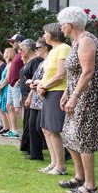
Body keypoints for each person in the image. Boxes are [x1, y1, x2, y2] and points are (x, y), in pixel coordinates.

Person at [58, 6, 98, 193]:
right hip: (77, 92)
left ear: (69, 24)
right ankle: (79, 177)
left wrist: (74, 96)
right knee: (70, 134)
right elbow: (74, 73)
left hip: (88, 95)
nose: (61, 28)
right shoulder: (76, 42)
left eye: (62, 25)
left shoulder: (87, 41)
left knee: (83, 137)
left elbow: (88, 72)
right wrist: (66, 93)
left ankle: (90, 186)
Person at [37, 22, 70, 176]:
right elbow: (48, 74)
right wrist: (40, 85)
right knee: (46, 129)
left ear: (53, 33)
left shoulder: (63, 48)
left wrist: (44, 86)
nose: (44, 36)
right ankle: (54, 162)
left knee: (54, 129)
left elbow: (60, 74)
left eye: (45, 33)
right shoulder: (53, 51)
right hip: (49, 91)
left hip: (57, 91)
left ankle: (61, 166)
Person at [25, 38, 50, 160]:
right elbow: (36, 78)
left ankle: (64, 153)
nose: (36, 50)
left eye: (38, 47)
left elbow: (49, 79)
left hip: (43, 97)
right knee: (33, 126)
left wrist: (34, 82)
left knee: (42, 128)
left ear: (45, 48)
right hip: (36, 97)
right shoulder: (42, 63)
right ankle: (35, 154)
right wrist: (32, 84)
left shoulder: (50, 62)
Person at [19, 39, 44, 156]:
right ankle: (29, 148)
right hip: (25, 95)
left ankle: (35, 150)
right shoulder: (28, 61)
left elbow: (35, 80)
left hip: (33, 95)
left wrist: (30, 96)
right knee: (28, 122)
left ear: (28, 48)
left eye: (22, 49)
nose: (20, 52)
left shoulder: (36, 61)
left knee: (33, 124)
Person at [5, 34, 25, 139]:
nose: (12, 44)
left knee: (18, 109)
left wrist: (21, 80)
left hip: (17, 85)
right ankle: (14, 131)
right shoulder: (18, 54)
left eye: (13, 42)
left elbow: (28, 67)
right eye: (11, 42)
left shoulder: (23, 53)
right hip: (12, 85)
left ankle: (29, 132)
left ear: (19, 42)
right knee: (9, 106)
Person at [0, 49, 12, 134]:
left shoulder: (8, 65)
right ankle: (5, 127)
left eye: (5, 53)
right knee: (0, 108)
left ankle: (11, 129)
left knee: (6, 109)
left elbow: (7, 78)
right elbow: (2, 77)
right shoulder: (7, 64)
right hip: (1, 87)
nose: (3, 54)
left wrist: (1, 86)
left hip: (6, 88)